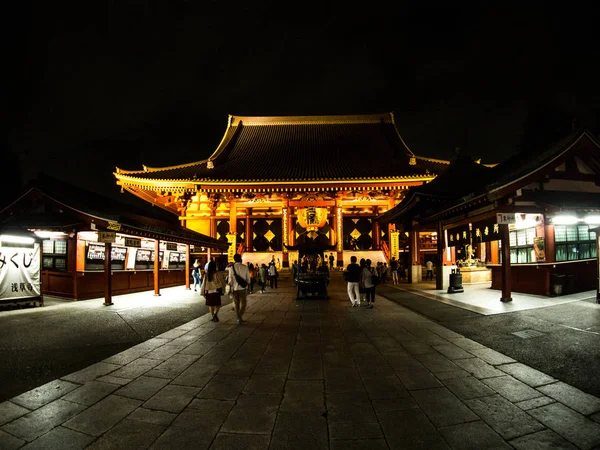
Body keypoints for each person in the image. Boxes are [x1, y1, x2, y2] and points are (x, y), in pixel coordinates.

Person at [227, 254, 251, 324]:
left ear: (234, 259)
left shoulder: (231, 268)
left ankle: (238, 317)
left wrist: (230, 288)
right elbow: (248, 279)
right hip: (242, 288)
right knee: (243, 303)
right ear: (240, 259)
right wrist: (248, 285)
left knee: (236, 303)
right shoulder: (245, 267)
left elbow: (230, 280)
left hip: (234, 288)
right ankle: (239, 316)